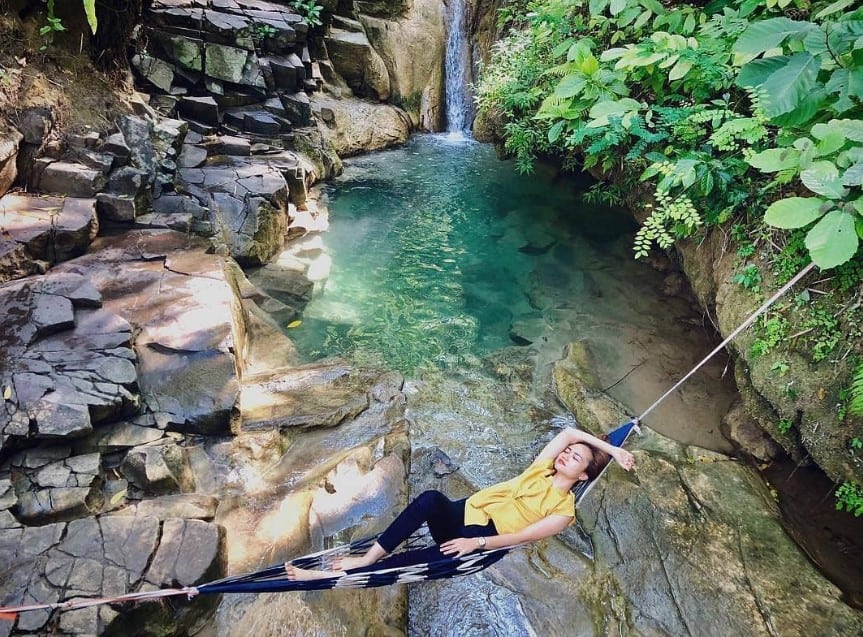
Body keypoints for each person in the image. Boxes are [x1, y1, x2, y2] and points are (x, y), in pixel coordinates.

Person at [285, 426, 635, 580]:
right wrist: (612, 449)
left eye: (575, 459)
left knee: (419, 562)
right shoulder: (541, 469)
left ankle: (321, 575)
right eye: (568, 454)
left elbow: (522, 538)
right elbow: (570, 434)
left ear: (583, 477)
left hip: (483, 542)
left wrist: (476, 543)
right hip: (466, 513)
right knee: (431, 498)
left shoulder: (563, 512)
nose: (566, 455)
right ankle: (366, 559)